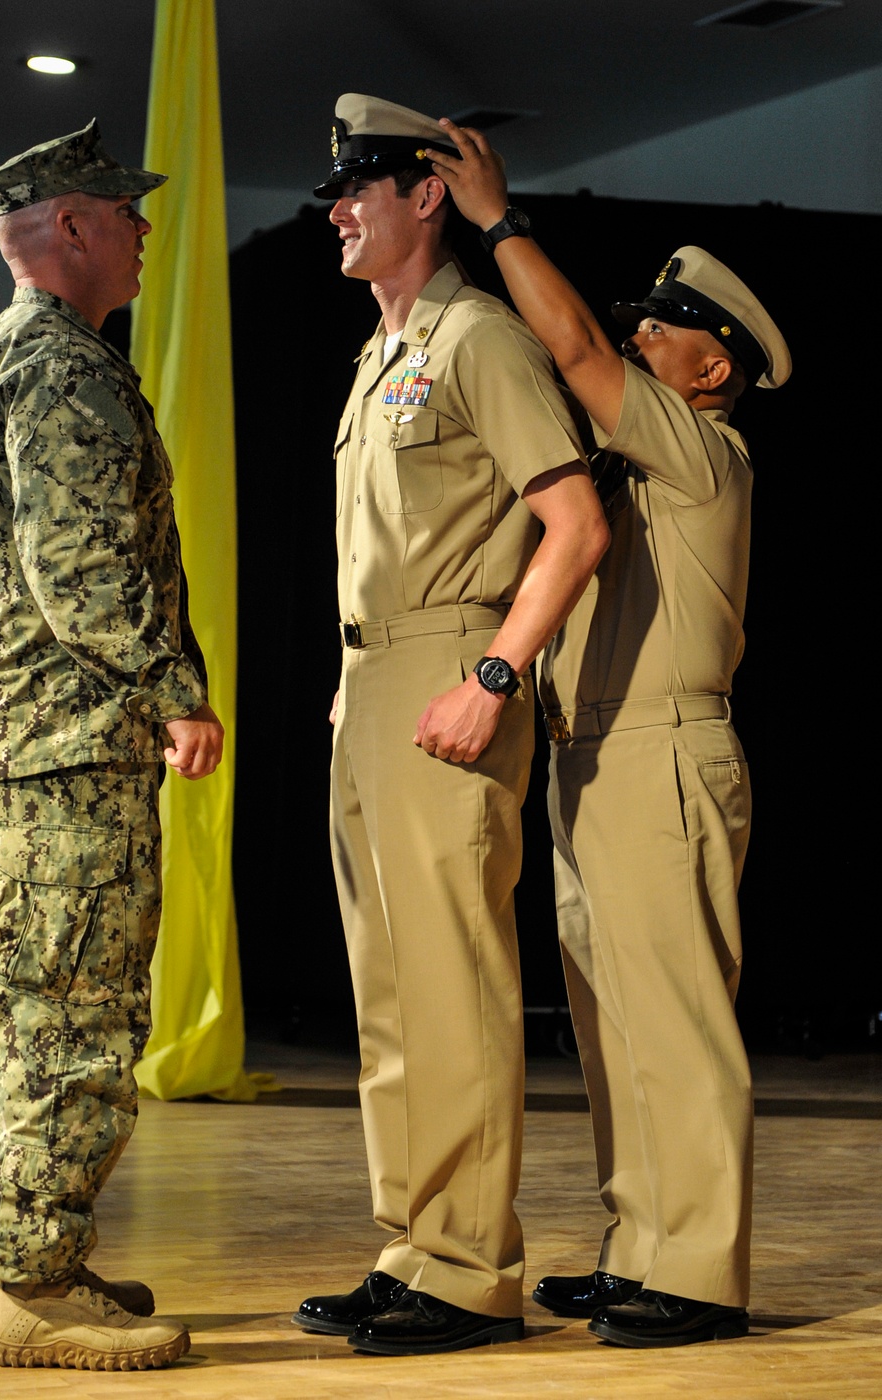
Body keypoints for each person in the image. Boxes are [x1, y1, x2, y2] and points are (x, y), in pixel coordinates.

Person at [426, 120, 791, 1349]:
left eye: (664, 327)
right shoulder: (638, 466)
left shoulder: (704, 455)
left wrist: (495, 221)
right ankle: (644, 1241)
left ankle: (699, 1270)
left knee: (674, 1018)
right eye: (641, 316)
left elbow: (571, 347)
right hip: (593, 754)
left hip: (662, 752)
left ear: (710, 371)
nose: (638, 333)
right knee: (611, 1020)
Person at [291, 94, 609, 1357]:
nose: (336, 209)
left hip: (447, 671)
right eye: (334, 190)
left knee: (454, 980)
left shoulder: (478, 336)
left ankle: (473, 1267)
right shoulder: (382, 351)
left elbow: (573, 521)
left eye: (360, 184)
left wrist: (492, 673)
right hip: (366, 681)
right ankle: (413, 1243)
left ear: (427, 193)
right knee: (388, 989)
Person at [0, 120, 224, 1371]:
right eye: (124, 210)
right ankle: (39, 1288)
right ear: (68, 227)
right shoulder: (60, 370)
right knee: (79, 1017)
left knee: (33, 1012)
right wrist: (174, 688)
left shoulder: (1, 359)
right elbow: (81, 570)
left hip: (19, 736)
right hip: (64, 739)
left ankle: (23, 1262)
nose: (145, 230)